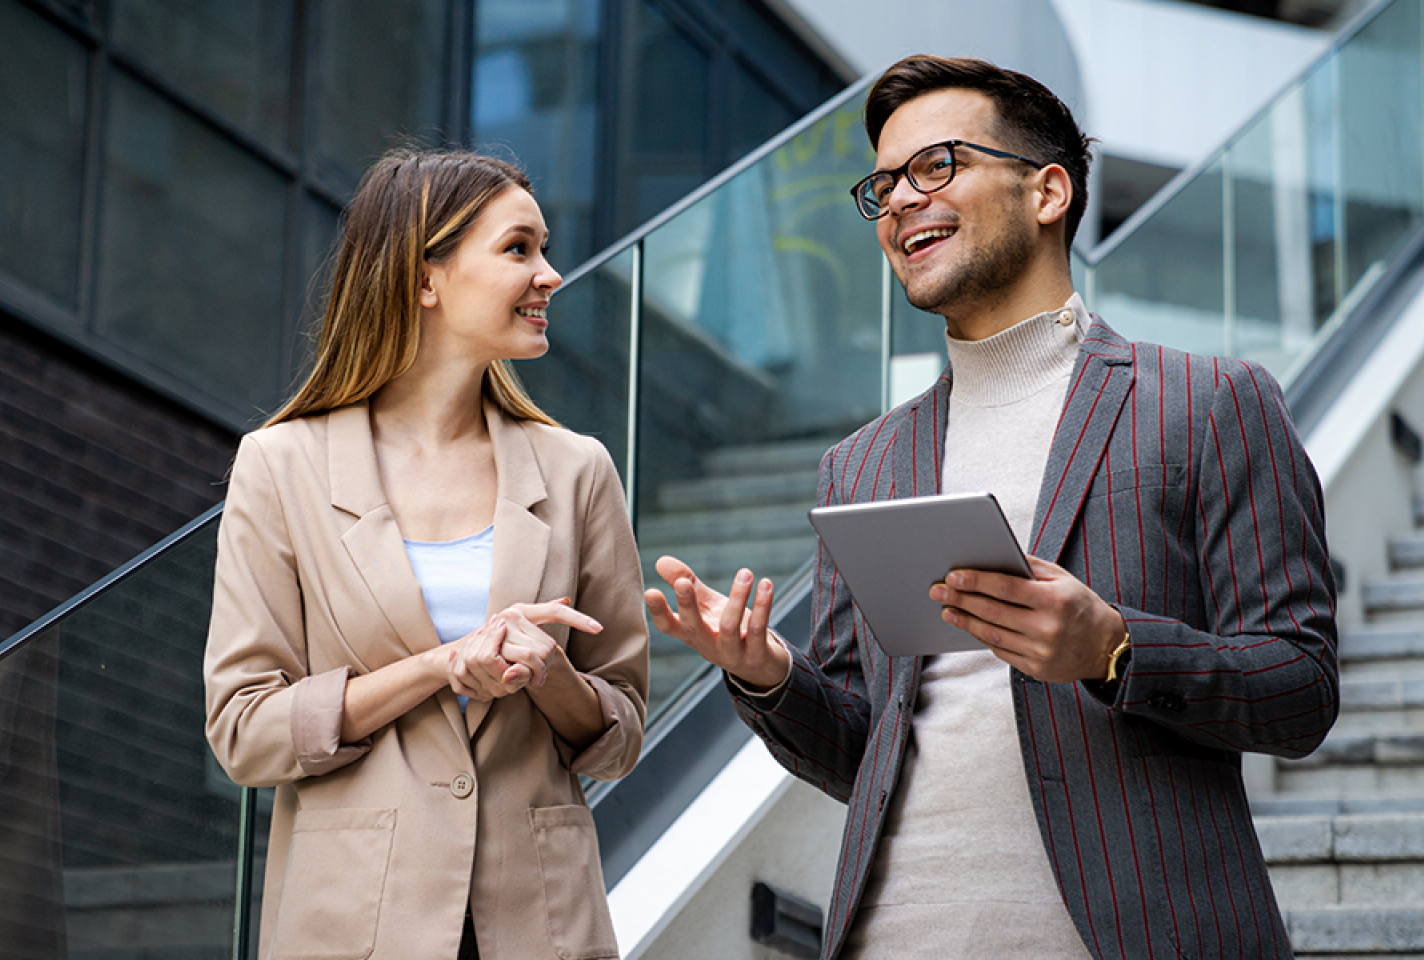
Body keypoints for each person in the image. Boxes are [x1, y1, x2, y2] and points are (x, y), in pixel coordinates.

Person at [646, 55, 1337, 959]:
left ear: (1047, 192)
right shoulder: (862, 464)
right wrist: (768, 677)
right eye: (883, 184)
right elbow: (865, 752)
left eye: (937, 166)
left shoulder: (1208, 404)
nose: (898, 200)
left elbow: (1299, 689)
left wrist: (1116, 650)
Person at [204, 148, 649, 960]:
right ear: (423, 278)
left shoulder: (578, 469)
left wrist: (549, 676)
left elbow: (620, 731)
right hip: (352, 925)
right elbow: (244, 731)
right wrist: (439, 667)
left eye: (545, 249)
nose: (550, 274)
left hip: (539, 925)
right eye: (519, 249)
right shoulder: (280, 466)